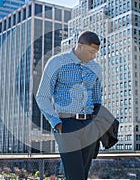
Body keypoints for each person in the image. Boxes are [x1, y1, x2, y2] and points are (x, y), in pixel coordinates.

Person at [36, 30, 102, 180]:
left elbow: (97, 98)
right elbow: (43, 96)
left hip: (89, 125)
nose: (94, 56)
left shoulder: (96, 68)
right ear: (80, 46)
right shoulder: (57, 62)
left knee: (83, 175)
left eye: (96, 52)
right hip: (66, 124)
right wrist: (56, 123)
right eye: (92, 51)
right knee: (75, 176)